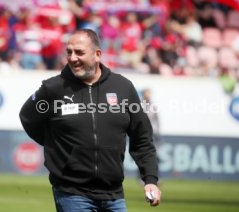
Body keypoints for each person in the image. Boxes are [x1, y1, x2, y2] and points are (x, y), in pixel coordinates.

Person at [19, 29, 161, 211]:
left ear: (97, 55)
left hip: (114, 194)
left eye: (79, 52)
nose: (72, 57)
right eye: (69, 52)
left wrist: (150, 179)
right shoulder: (53, 88)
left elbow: (142, 137)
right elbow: (28, 118)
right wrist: (57, 145)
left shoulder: (123, 87)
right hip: (71, 193)